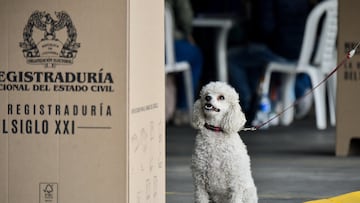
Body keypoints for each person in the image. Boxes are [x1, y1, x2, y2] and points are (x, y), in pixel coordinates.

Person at [227, 0, 314, 125]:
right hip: (303, 51)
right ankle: (298, 90)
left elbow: (265, 27)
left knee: (234, 57)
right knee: (254, 57)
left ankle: (248, 105)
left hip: (278, 50)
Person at [166, 0, 203, 125]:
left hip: (141, 46)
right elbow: (185, 18)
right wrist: (187, 34)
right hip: (166, 44)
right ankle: (183, 109)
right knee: (195, 55)